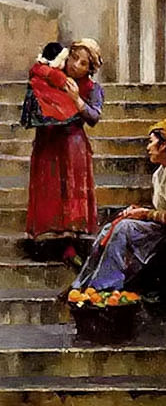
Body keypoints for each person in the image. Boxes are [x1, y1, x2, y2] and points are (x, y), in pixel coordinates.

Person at [70, 119, 166, 302]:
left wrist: (145, 214)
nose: (148, 147)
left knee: (125, 228)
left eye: (151, 142)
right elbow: (159, 208)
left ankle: (106, 285)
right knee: (110, 228)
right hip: (157, 229)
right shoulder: (158, 174)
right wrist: (140, 211)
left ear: (163, 145)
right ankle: (84, 284)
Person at [24, 38, 103, 259]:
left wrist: (77, 100)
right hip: (48, 140)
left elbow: (94, 116)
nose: (76, 65)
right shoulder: (54, 72)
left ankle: (69, 242)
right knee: (48, 188)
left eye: (83, 63)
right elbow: (36, 72)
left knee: (70, 191)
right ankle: (45, 239)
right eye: (74, 58)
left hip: (72, 144)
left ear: (90, 69)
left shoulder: (92, 88)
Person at [22, 42, 80, 125]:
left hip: (36, 95)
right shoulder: (52, 72)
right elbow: (61, 81)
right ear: (57, 61)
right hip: (45, 96)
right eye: (63, 60)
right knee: (64, 102)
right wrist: (67, 80)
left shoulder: (39, 68)